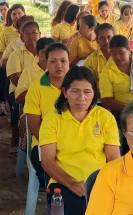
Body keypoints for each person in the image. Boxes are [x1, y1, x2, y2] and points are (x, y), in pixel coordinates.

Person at [40, 66, 120, 214]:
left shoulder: (105, 117)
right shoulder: (52, 119)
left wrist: (105, 184)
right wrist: (72, 184)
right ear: (65, 92)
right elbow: (47, 161)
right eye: (75, 91)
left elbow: (114, 159)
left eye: (87, 92)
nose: (81, 98)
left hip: (100, 182)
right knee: (77, 208)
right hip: (63, 183)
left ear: (94, 93)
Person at [23, 42, 69, 188]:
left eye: (63, 61)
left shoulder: (77, 85)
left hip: (74, 143)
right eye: (53, 61)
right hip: (44, 144)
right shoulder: (36, 87)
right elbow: (34, 125)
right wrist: (52, 145)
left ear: (69, 62)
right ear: (46, 63)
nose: (59, 65)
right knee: (55, 181)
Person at [99, 35, 133, 121]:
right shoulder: (107, 71)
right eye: (114, 54)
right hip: (122, 112)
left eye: (121, 53)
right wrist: (131, 108)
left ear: (129, 50)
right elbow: (106, 101)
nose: (118, 57)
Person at [7, 21, 41, 154]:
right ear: (22, 37)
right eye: (27, 33)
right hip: (18, 90)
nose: (31, 36)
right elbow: (15, 78)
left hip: (42, 92)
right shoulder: (16, 54)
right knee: (17, 109)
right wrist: (36, 93)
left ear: (40, 34)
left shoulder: (45, 54)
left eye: (34, 33)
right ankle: (15, 142)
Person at [15, 37, 54, 104]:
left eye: (51, 52)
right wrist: (41, 91)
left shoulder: (59, 71)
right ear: (37, 53)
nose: (48, 56)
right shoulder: (28, 71)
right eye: (44, 52)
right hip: (34, 110)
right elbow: (19, 98)